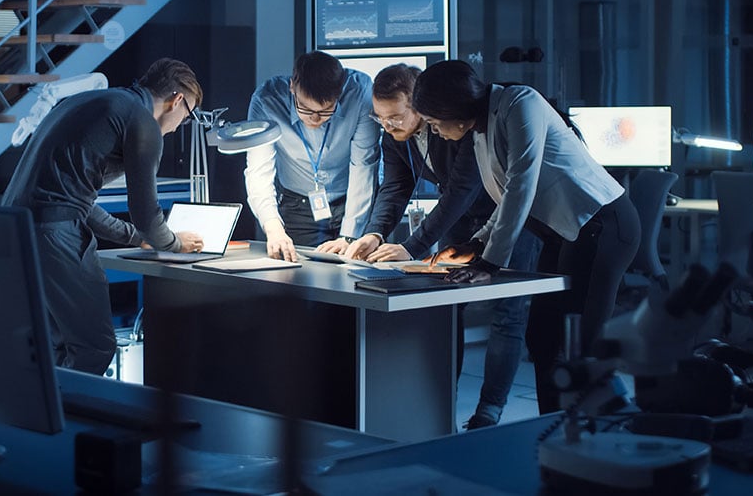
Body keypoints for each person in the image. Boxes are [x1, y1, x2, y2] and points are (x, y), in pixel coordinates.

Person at [412, 59, 640, 414]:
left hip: (602, 225)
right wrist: (476, 243)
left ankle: (604, 432)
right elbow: (504, 198)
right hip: (563, 234)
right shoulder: (480, 129)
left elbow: (522, 185)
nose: (435, 131)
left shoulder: (521, 102)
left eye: (433, 121)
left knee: (579, 343)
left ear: (451, 110)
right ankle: (552, 431)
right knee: (543, 339)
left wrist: (490, 262)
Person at [345, 64, 541, 429]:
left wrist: (413, 246)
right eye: (380, 118)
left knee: (508, 313)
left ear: (419, 104)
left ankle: (489, 410)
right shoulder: (394, 134)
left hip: (505, 215)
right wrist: (375, 234)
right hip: (460, 223)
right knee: (448, 308)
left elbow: (461, 192)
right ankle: (438, 402)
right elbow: (395, 187)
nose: (388, 126)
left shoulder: (456, 120)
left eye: (396, 117)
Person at [2, 58, 206, 375]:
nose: (181, 125)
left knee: (57, 345)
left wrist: (137, 238)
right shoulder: (143, 122)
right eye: (187, 115)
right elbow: (146, 213)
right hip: (55, 235)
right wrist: (173, 243)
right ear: (176, 100)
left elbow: (74, 200)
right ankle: (74, 421)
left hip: (15, 227)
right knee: (94, 346)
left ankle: (52, 421)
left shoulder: (92, 101)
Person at [245, 51, 379, 261]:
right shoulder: (267, 101)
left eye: (326, 111)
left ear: (340, 92)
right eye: (305, 109)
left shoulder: (360, 92)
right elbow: (258, 170)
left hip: (353, 201)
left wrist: (350, 235)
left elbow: (364, 164)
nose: (315, 119)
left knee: (358, 276)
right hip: (297, 205)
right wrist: (273, 229)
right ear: (292, 87)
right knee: (300, 279)